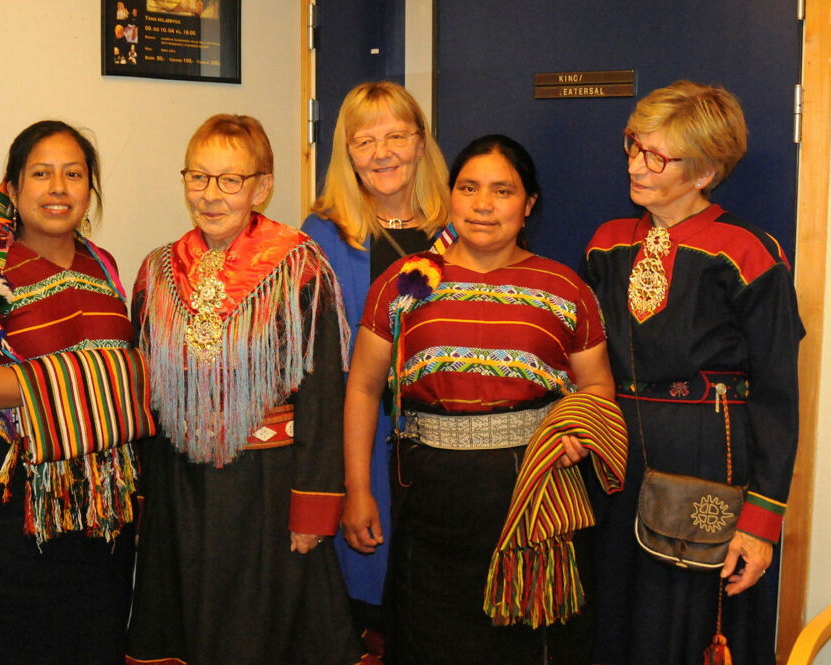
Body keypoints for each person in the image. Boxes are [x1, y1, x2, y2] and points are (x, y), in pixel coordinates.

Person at [344, 134, 624, 665]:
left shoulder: (564, 288)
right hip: (430, 498)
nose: (483, 205)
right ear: (450, 196)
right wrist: (358, 489)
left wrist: (576, 436)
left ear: (528, 205)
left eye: (502, 191)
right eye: (469, 188)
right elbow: (361, 388)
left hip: (536, 496)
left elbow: (598, 386)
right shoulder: (402, 284)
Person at [126, 114, 374, 665]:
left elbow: (325, 393)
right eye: (198, 177)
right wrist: (144, 497)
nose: (211, 195)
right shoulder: (156, 271)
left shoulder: (298, 265)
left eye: (230, 180)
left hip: (267, 487)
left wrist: (313, 508)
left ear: (262, 186)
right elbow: (144, 395)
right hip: (180, 487)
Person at [580, 81, 804, 665]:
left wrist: (761, 521)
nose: (635, 164)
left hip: (710, 466)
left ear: (704, 172)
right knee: (611, 619)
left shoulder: (749, 254)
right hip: (616, 463)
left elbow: (778, 396)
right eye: (633, 145)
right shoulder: (606, 244)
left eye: (656, 155)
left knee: (687, 626)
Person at [0, 120, 146, 664]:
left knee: (94, 643)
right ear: (11, 189)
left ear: (89, 190)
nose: (59, 188)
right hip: (13, 504)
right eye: (41, 174)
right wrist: (91, 378)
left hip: (100, 508)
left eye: (74, 174)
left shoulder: (105, 267)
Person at [301, 80, 451, 649]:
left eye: (396, 136)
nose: (382, 153)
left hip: (445, 440)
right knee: (368, 605)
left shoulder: (459, 228)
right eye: (365, 142)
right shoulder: (320, 235)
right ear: (346, 153)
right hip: (361, 436)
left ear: (420, 143)